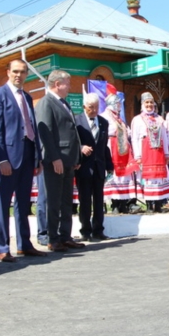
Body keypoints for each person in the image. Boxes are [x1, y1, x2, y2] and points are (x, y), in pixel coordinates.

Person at [0, 59, 47, 261]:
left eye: (22, 72)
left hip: (29, 155)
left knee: (24, 202)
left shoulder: (28, 97)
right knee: (4, 203)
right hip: (9, 158)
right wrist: (1, 159)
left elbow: (32, 127)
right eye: (15, 71)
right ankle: (2, 247)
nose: (18, 75)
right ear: (8, 72)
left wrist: (38, 157)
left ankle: (24, 244)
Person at [34, 70, 84, 252]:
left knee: (66, 201)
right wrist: (54, 157)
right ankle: (52, 238)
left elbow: (72, 132)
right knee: (53, 201)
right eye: (67, 83)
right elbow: (45, 134)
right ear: (57, 84)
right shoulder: (46, 103)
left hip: (68, 159)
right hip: (56, 160)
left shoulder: (63, 103)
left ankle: (65, 236)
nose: (70, 87)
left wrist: (75, 156)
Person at [75, 93, 113, 241]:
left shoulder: (103, 122)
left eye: (97, 107)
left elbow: (104, 146)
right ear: (85, 106)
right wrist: (81, 147)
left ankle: (98, 230)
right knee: (85, 200)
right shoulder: (77, 121)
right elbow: (72, 141)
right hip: (84, 166)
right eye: (91, 107)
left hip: (99, 166)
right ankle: (85, 230)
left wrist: (109, 165)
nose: (94, 110)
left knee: (99, 200)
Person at [131, 92, 169, 212]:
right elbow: (134, 138)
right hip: (145, 152)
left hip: (158, 151)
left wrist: (166, 153)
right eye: (146, 102)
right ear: (142, 104)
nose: (149, 104)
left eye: (151, 102)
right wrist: (137, 155)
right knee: (148, 178)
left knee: (159, 178)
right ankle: (149, 205)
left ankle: (158, 205)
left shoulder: (159, 119)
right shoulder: (137, 119)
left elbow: (164, 136)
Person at [102, 93, 138, 214]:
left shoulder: (119, 118)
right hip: (112, 147)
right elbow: (106, 131)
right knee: (114, 175)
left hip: (122, 149)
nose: (119, 106)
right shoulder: (104, 116)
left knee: (124, 176)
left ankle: (123, 203)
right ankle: (115, 204)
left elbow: (127, 131)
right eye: (117, 103)